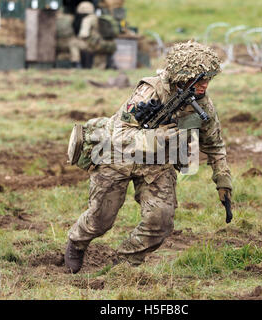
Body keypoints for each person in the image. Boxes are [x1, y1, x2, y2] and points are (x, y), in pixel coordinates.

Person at [65, 40, 232, 273]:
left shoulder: (202, 106)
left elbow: (214, 144)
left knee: (160, 221)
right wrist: (156, 136)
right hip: (117, 158)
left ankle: (124, 262)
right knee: (100, 219)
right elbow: (120, 134)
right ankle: (76, 242)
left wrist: (223, 180)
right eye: (200, 79)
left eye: (208, 79)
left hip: (157, 164)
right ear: (183, 77)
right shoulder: (149, 92)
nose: (205, 85)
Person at [69, 1, 117, 69]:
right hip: (107, 45)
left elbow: (84, 35)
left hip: (94, 45)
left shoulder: (87, 19)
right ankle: (110, 63)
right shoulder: (99, 17)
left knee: (73, 43)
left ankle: (76, 64)